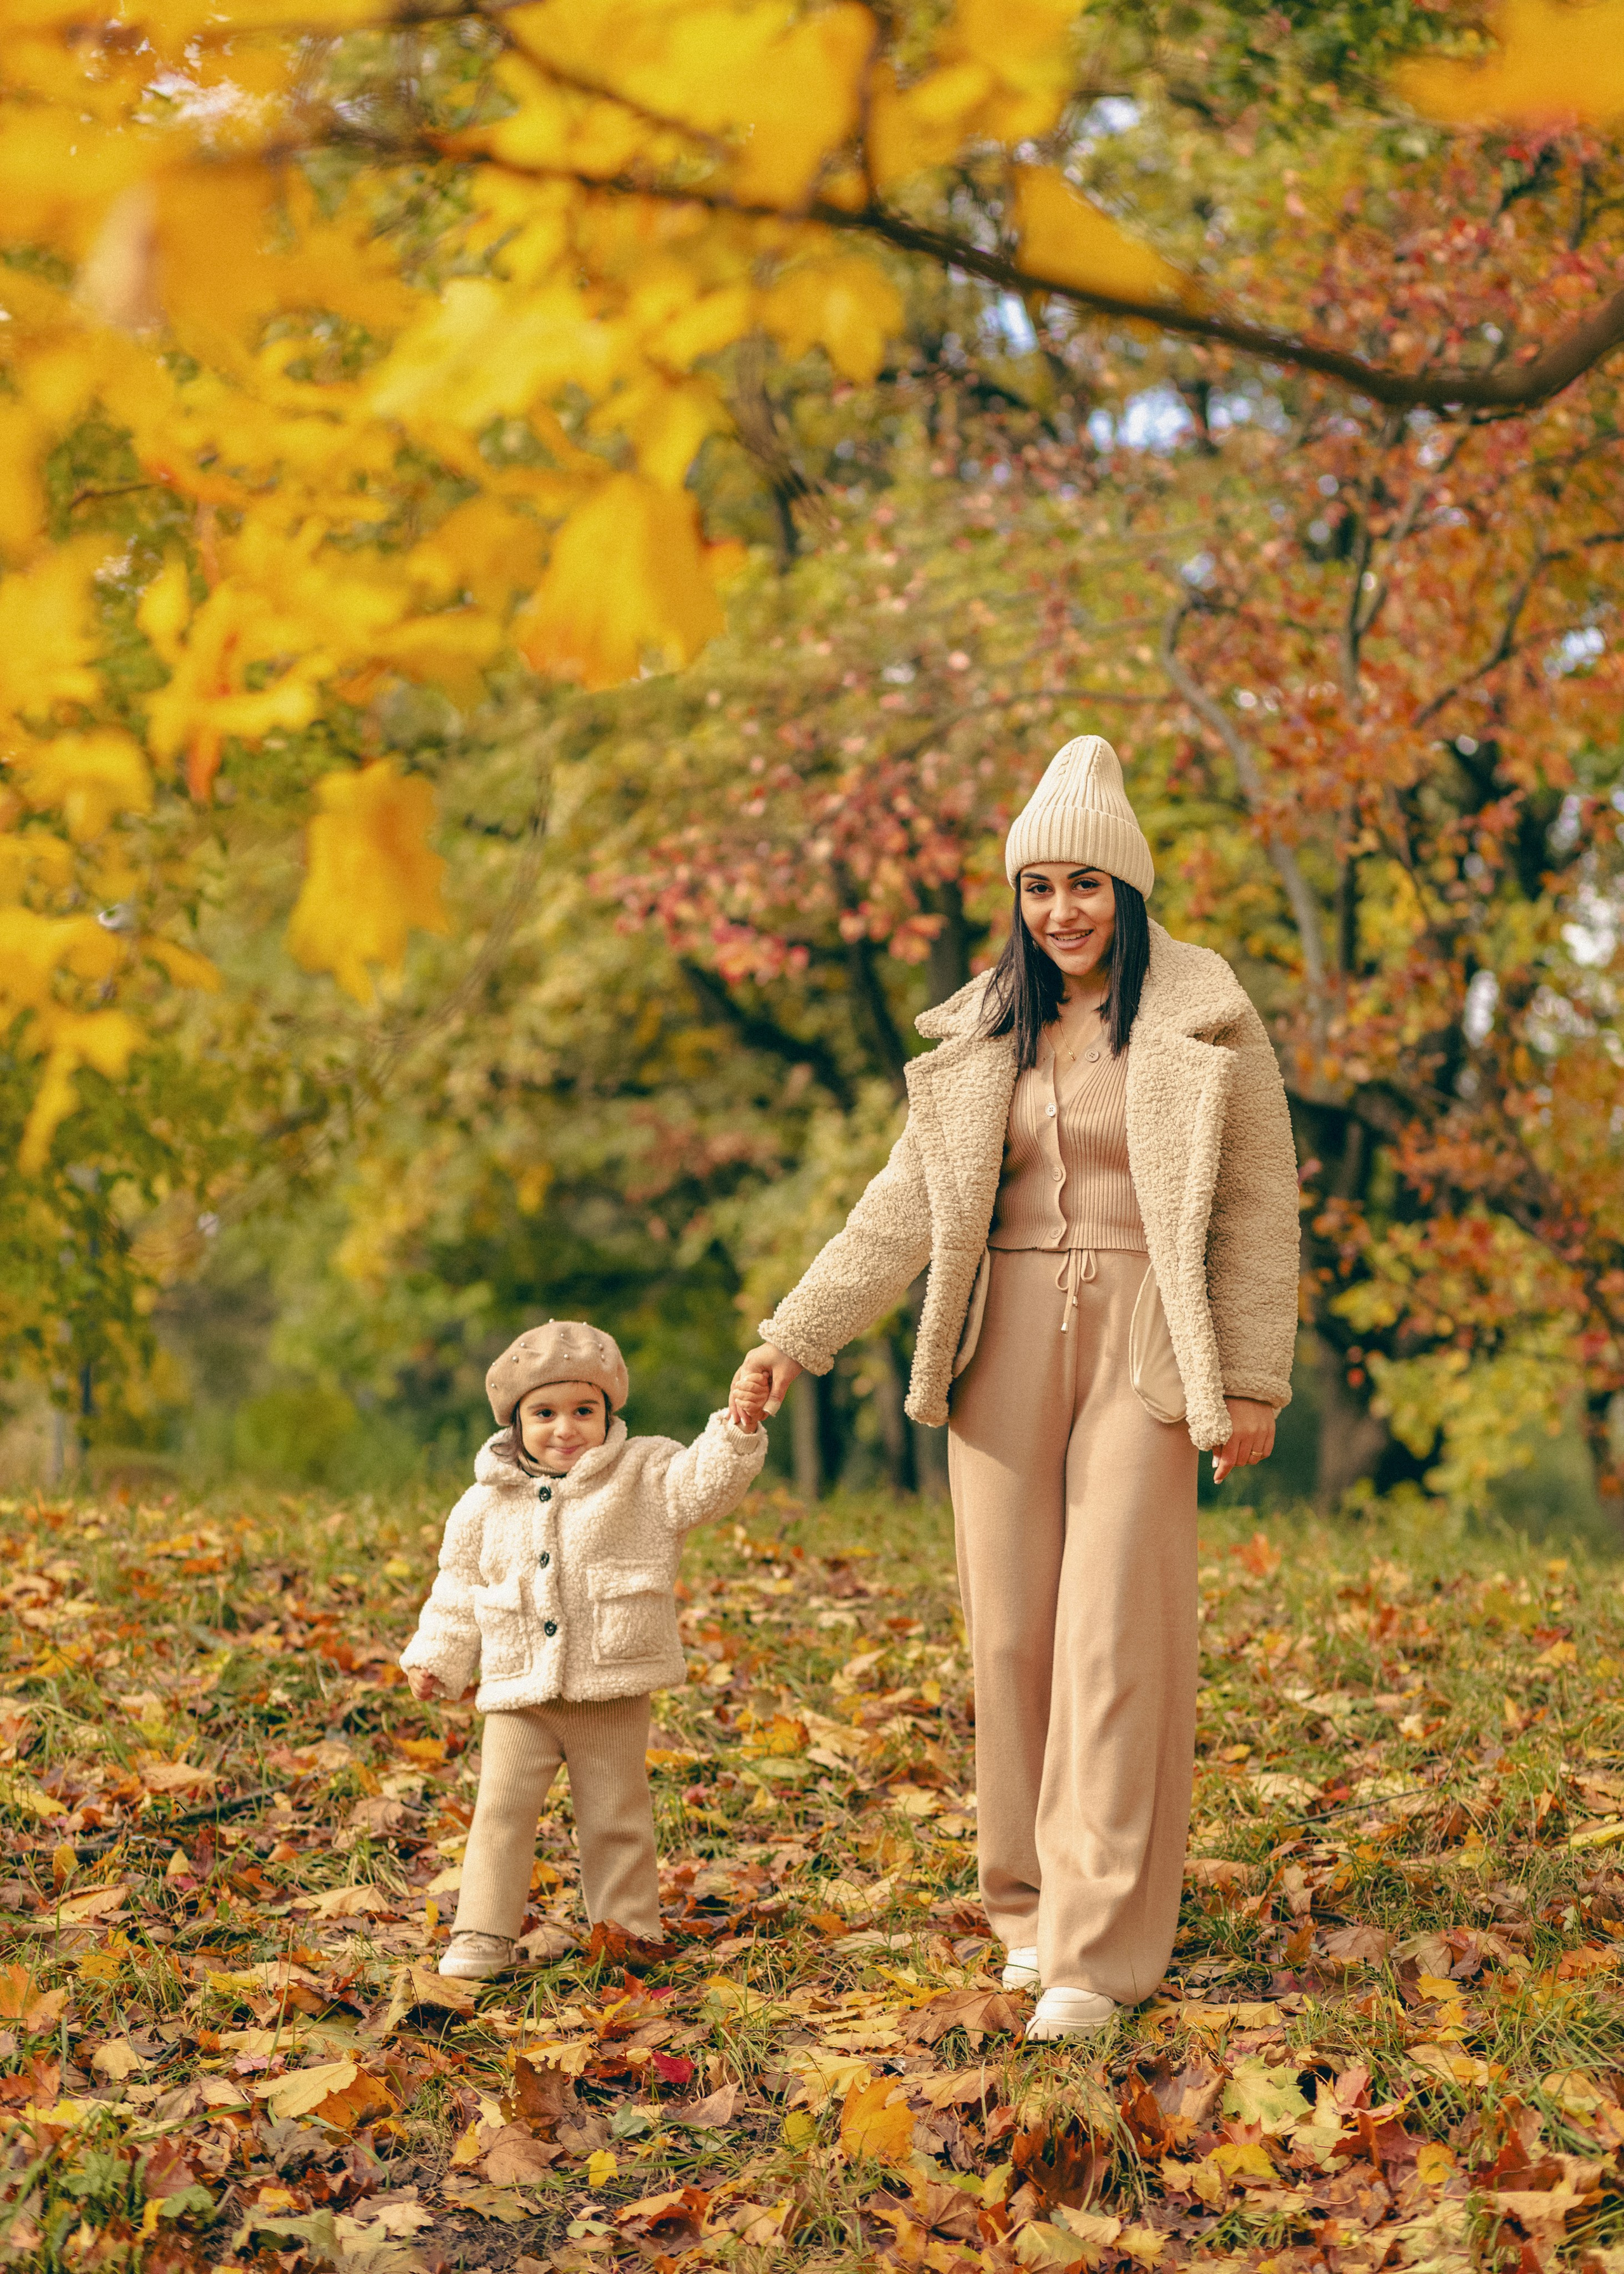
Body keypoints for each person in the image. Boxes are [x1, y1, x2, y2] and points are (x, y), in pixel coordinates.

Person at [730, 735, 1300, 2040]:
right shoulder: (985, 1024)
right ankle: (1026, 1909)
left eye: (1085, 884)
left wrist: (1253, 1375)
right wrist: (794, 1335)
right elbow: (905, 1205)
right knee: (1011, 1635)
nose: (1061, 910)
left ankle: (1094, 1953)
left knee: (1113, 1633)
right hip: (1001, 1338)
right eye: (1038, 886)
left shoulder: (1205, 1012)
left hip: (1147, 1335)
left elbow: (1259, 1207)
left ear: (1127, 890)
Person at [403, 1318, 768, 1978]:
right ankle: (482, 1933)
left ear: (608, 1413)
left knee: (616, 1816)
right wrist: (438, 1655)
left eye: (583, 1411)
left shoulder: (644, 1473)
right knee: (501, 1812)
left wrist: (737, 1428)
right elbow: (458, 1583)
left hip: (611, 1683)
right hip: (519, 1690)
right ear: (516, 1421)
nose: (565, 1428)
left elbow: (703, 1484)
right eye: (544, 1413)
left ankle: (628, 1932)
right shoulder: (484, 1502)